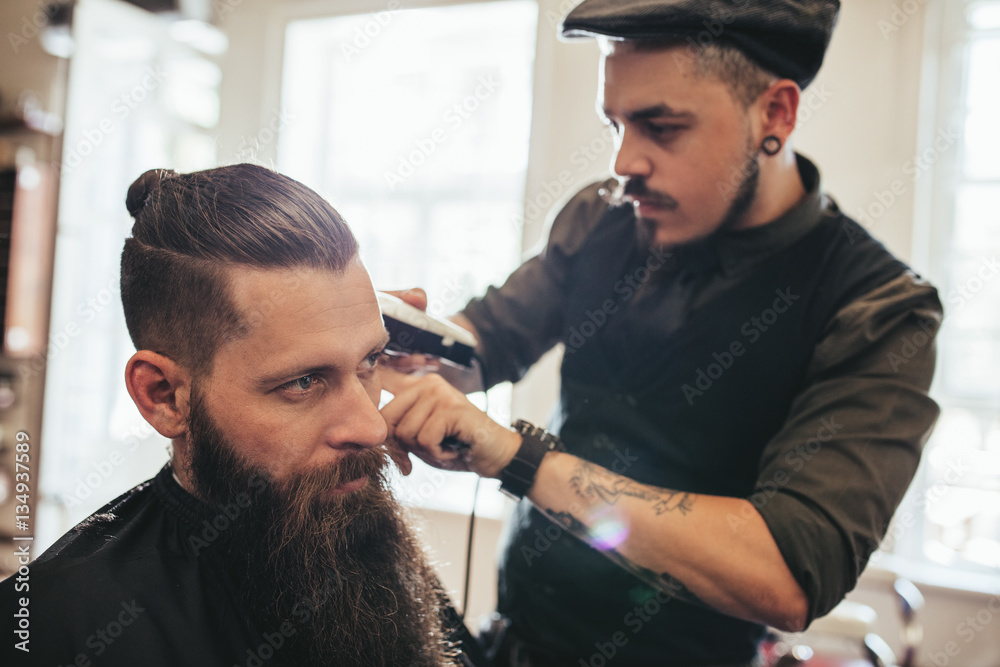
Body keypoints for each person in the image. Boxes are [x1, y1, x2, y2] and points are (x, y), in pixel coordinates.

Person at [377, 1, 943, 665]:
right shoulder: (601, 219)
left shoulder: (874, 306)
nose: (625, 162)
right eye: (616, 123)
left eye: (661, 127)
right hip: (518, 640)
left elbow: (787, 575)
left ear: (776, 114)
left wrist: (516, 457)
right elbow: (484, 341)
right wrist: (383, 331)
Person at [0, 164, 466, 667]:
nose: (373, 428)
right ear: (164, 396)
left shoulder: (363, 540)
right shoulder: (51, 630)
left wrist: (514, 460)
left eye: (369, 361)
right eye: (303, 381)